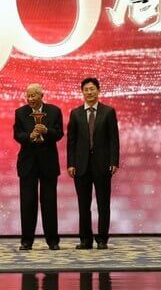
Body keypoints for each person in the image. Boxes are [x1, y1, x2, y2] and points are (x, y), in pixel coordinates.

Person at [66, 77, 120, 250]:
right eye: (86, 90)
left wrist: (114, 161)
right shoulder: (75, 113)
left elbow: (114, 139)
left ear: (98, 90)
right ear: (82, 92)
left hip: (102, 165)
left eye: (92, 89)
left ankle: (102, 239)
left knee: (103, 204)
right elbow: (71, 142)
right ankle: (85, 240)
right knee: (84, 205)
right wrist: (71, 163)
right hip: (81, 166)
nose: (89, 92)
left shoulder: (108, 112)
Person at [13, 83, 64, 251]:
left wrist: (46, 131)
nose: (30, 99)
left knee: (49, 202)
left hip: (48, 163)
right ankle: (26, 241)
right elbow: (17, 135)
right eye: (28, 96)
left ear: (42, 96)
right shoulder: (20, 112)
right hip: (27, 164)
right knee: (27, 203)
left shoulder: (54, 111)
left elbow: (59, 133)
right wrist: (30, 136)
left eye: (33, 95)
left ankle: (53, 241)